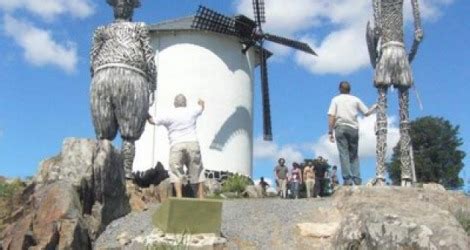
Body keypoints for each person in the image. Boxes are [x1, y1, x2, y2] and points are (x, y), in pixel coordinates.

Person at [90, 0, 156, 179]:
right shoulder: (139, 28)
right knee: (129, 134)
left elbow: (92, 59)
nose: (120, 7)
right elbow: (149, 57)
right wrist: (153, 85)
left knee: (105, 134)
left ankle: (103, 171)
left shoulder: (101, 30)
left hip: (102, 77)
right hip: (132, 78)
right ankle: (126, 174)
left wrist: (95, 76)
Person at [148, 94, 205, 198]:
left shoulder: (169, 115)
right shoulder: (192, 111)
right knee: (197, 170)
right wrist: (200, 102)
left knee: (176, 172)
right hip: (193, 143)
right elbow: (201, 108)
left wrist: (145, 113)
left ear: (175, 103)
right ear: (185, 103)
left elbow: (152, 121)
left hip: (176, 145)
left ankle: (179, 196)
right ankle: (201, 197)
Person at [328, 81, 376, 185]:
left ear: (340, 89)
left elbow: (331, 116)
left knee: (343, 153)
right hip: (353, 128)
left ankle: (347, 179)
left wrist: (330, 132)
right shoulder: (355, 99)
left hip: (340, 127)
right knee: (354, 154)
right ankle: (357, 178)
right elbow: (367, 113)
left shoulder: (335, 100)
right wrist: (375, 106)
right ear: (350, 90)